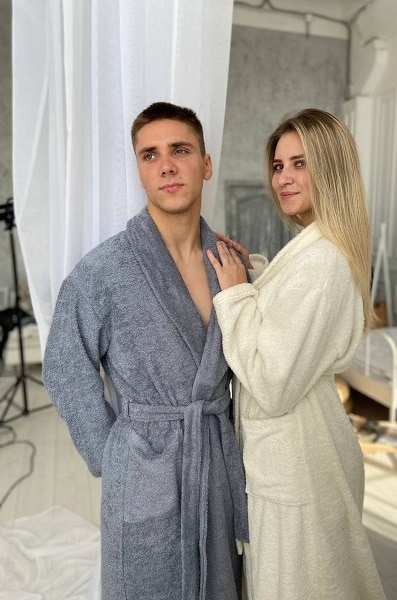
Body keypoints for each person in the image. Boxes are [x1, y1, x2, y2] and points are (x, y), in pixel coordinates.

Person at [43, 101, 248, 600]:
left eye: (180, 150)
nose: (167, 166)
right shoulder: (105, 270)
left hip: (215, 465)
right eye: (150, 155)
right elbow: (65, 366)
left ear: (206, 163)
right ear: (139, 171)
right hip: (144, 469)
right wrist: (114, 454)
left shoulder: (229, 264)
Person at [207, 108, 387, 600]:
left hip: (296, 461)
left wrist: (235, 294)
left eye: (300, 163)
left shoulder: (323, 260)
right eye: (278, 165)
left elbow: (272, 382)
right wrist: (252, 272)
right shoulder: (317, 246)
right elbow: (292, 316)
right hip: (302, 452)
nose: (283, 178)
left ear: (330, 168)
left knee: (295, 587)